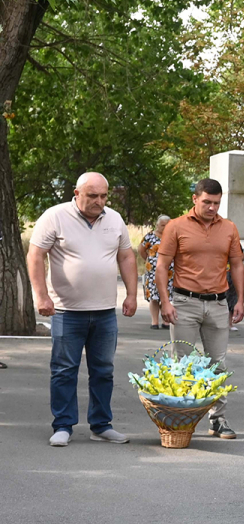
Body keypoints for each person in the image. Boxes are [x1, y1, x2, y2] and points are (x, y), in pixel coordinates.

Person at [27, 172, 137, 447]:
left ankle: (101, 425)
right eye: (92, 196)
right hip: (66, 311)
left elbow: (126, 256)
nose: (99, 202)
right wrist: (41, 296)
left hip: (104, 312)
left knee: (104, 370)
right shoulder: (55, 216)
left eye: (103, 196)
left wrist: (132, 294)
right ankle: (63, 425)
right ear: (77, 194)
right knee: (64, 370)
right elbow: (35, 255)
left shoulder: (114, 219)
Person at [157, 178, 244, 439]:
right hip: (184, 302)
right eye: (206, 202)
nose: (211, 207)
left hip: (218, 303)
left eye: (216, 203)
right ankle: (181, 418)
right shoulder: (175, 227)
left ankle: (217, 419)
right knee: (182, 364)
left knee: (217, 366)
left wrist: (239, 299)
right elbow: (162, 266)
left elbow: (238, 265)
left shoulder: (228, 228)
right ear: (195, 199)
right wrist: (165, 301)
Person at [140, 215, 171, 329]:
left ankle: (166, 321)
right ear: (157, 225)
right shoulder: (150, 236)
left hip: (169, 272)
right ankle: (154, 321)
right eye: (162, 225)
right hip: (153, 271)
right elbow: (141, 250)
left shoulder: (172, 237)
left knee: (165, 295)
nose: (165, 227)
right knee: (154, 296)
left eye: (167, 225)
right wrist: (148, 261)